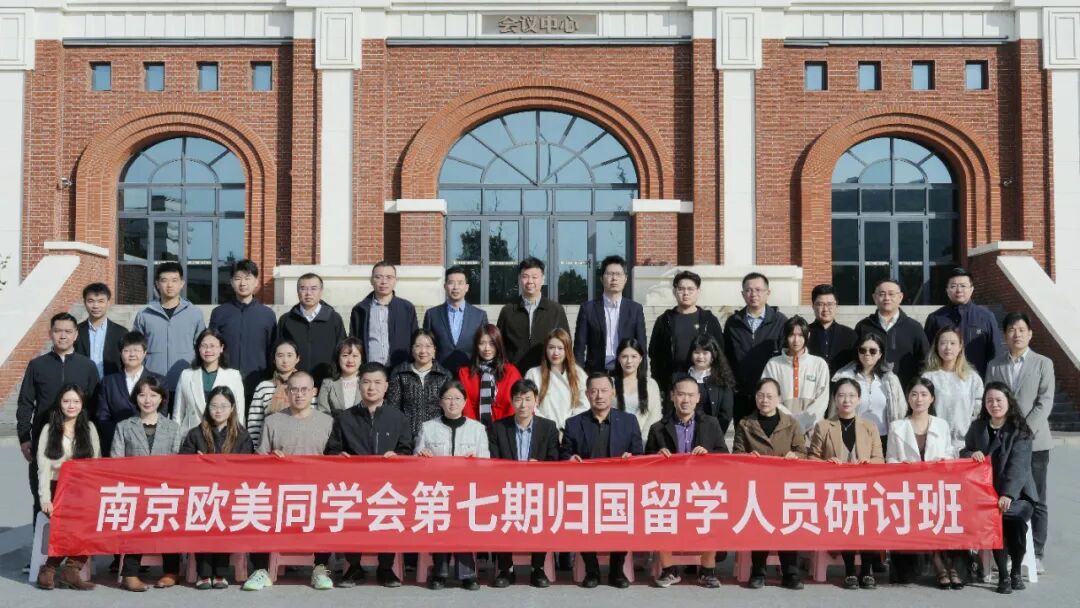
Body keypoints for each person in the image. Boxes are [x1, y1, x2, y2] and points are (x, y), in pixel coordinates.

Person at [323, 362, 411, 588]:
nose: (371, 387)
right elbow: (332, 450)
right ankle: (354, 568)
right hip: (354, 485)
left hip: (388, 485)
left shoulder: (398, 417)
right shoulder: (345, 417)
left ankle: (385, 568)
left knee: (389, 517)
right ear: (359, 385)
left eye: (377, 382)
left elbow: (406, 449)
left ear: (386, 386)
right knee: (351, 518)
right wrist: (338, 456)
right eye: (366, 382)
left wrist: (398, 456)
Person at [245, 372, 335, 591]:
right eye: (294, 389)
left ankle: (320, 567)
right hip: (280, 492)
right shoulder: (272, 420)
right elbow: (259, 458)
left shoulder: (328, 422)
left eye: (305, 390)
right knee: (258, 508)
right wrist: (270, 458)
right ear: (286, 392)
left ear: (314, 392)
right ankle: (260, 570)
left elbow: (334, 460)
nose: (299, 394)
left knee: (329, 510)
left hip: (317, 492)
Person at [560, 372, 644, 589]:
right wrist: (569, 459)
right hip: (585, 492)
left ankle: (617, 571)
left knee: (625, 516)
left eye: (604, 390)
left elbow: (639, 455)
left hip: (619, 490)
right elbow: (563, 455)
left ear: (613, 392)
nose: (599, 396)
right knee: (579, 516)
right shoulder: (574, 423)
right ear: (587, 394)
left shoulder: (629, 421)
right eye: (594, 391)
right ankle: (592, 570)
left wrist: (632, 459)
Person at [984, 312, 1054, 574]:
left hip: (1035, 442)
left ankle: (1037, 553)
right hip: (1002, 442)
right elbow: (990, 398)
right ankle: (1006, 551)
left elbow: (1045, 401)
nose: (1017, 334)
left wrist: (1024, 431)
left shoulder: (1043, 363)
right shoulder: (995, 364)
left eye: (1022, 329)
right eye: (1012, 329)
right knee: (1005, 495)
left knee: (1036, 498)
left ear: (1030, 333)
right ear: (1005, 335)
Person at [646, 373, 727, 589]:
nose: (686, 400)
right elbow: (645, 462)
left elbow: (724, 456)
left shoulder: (711, 424)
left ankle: (707, 570)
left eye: (691, 395)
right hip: (670, 491)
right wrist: (656, 457)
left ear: (698, 398)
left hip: (702, 489)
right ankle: (669, 570)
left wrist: (708, 455)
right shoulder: (658, 428)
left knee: (713, 510)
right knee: (659, 511)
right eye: (681, 394)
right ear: (672, 396)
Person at [17, 312, 99, 521]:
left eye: (68, 331)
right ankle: (42, 542)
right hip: (45, 439)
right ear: (50, 334)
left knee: (79, 502)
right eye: (58, 331)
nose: (63, 336)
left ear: (76, 335)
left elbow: (95, 404)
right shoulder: (37, 365)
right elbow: (25, 403)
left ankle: (74, 542)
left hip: (78, 441)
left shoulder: (87, 366)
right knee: (43, 500)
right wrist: (24, 437)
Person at [961, 383, 1039, 594]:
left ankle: (1015, 570)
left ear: (1008, 402)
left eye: (998, 400)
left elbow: (1019, 466)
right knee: (995, 519)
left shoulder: (1020, 430)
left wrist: (1007, 494)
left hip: (1019, 494)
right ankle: (1004, 576)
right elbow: (964, 451)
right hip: (987, 494)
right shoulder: (978, 427)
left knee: (1013, 519)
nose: (994, 404)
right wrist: (972, 454)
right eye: (989, 401)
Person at [808, 378, 884, 589]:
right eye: (841, 395)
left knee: (870, 518)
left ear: (859, 399)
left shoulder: (869, 427)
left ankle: (866, 570)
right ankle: (850, 570)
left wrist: (869, 463)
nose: (846, 400)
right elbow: (811, 458)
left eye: (851, 396)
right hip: (834, 490)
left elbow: (880, 458)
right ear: (835, 399)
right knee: (845, 517)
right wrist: (826, 464)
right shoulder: (824, 426)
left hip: (865, 489)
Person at [732, 377, 806, 590]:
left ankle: (791, 573)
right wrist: (748, 458)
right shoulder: (746, 424)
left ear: (779, 398)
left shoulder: (791, 423)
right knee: (760, 527)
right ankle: (758, 572)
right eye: (761, 395)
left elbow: (803, 451)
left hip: (785, 486)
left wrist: (795, 456)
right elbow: (737, 453)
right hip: (758, 486)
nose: (765, 400)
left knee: (788, 528)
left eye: (770, 396)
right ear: (755, 397)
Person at [415, 381, 490, 590]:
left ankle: (467, 574)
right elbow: (416, 458)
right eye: (448, 398)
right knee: (440, 520)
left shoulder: (477, 429)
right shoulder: (428, 427)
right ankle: (439, 573)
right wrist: (422, 455)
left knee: (463, 522)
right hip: (437, 490)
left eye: (457, 398)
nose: (452, 403)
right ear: (440, 402)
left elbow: (486, 461)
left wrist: (476, 461)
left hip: (467, 491)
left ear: (465, 402)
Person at [111, 377, 182, 591]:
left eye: (153, 395)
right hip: (135, 490)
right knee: (136, 521)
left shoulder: (173, 428)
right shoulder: (124, 427)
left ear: (162, 398)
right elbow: (116, 461)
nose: (147, 400)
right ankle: (130, 573)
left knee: (170, 519)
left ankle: (171, 571)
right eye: (142, 395)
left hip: (165, 489)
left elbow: (178, 462)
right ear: (136, 398)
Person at [178, 386, 254, 590]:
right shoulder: (195, 433)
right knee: (203, 519)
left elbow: (247, 467)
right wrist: (196, 462)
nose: (218, 410)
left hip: (230, 494)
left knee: (224, 520)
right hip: (201, 495)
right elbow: (182, 463)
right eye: (213, 406)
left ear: (232, 408)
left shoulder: (242, 435)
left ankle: (220, 573)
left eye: (223, 406)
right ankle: (204, 573)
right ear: (207, 407)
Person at [885, 377, 957, 586]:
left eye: (924, 395)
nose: (919, 399)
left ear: (932, 398)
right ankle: (936, 564)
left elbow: (950, 456)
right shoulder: (897, 426)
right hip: (907, 490)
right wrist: (901, 465)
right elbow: (890, 459)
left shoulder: (941, 425)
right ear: (908, 398)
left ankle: (943, 563)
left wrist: (942, 462)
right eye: (914, 394)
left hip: (936, 487)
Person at [488, 379, 559, 588]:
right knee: (499, 514)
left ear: (536, 401)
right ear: (511, 401)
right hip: (506, 489)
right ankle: (506, 569)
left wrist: (541, 467)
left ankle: (537, 568)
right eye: (518, 399)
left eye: (528, 399)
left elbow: (555, 460)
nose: (523, 405)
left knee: (543, 514)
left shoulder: (548, 427)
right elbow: (493, 460)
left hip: (539, 489)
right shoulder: (499, 427)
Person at [34, 385, 100, 591]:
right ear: (59, 403)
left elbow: (96, 463)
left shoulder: (89, 428)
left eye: (76, 401)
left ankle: (72, 569)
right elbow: (43, 467)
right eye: (66, 401)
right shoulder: (49, 429)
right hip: (57, 487)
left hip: (83, 488)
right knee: (66, 528)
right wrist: (45, 498)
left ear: (82, 404)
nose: (71, 406)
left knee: (91, 526)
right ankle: (49, 570)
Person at [724, 272, 788, 426]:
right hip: (742, 396)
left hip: (770, 397)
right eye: (748, 290)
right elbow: (726, 358)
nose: (753, 294)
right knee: (743, 436)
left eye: (758, 290)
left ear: (768, 292)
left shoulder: (780, 322)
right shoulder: (733, 323)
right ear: (743, 294)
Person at [208, 259, 278, 399]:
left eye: (247, 278)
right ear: (231, 281)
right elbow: (212, 348)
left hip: (259, 383)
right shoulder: (219, 313)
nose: (243, 283)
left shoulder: (267, 315)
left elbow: (272, 351)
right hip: (225, 383)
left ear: (256, 281)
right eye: (238, 278)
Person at [649, 270, 724, 398]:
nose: (685, 293)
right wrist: (659, 384)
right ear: (674, 291)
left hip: (703, 383)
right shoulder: (664, 320)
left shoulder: (709, 320)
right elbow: (654, 354)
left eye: (690, 289)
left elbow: (720, 352)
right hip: (673, 383)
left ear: (698, 291)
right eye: (681, 289)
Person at [131, 262, 206, 391]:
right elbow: (135, 347)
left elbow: (202, 347)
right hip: (152, 385)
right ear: (157, 284)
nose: (169, 285)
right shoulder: (145, 314)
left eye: (174, 280)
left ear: (182, 283)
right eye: (164, 280)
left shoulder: (194, 313)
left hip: (186, 382)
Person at [831, 333, 906, 454]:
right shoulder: (845, 377)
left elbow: (900, 410)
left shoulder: (890, 380)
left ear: (880, 354)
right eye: (862, 350)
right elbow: (834, 410)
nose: (867, 354)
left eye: (873, 351)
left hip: (884, 438)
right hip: (853, 437)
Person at [924, 267, 1003, 377]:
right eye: (953, 286)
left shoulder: (986, 317)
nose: (959, 290)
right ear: (947, 290)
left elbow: (996, 353)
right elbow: (928, 353)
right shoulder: (936, 318)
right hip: (943, 381)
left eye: (963, 286)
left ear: (971, 289)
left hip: (978, 381)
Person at [574, 255, 646, 373]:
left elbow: (641, 346)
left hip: (625, 372)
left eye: (618, 274)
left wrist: (641, 376)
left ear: (625, 279)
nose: (614, 278)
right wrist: (579, 375)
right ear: (601, 279)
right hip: (596, 372)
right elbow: (579, 347)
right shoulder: (588, 309)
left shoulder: (635, 309)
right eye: (609, 274)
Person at [761, 315, 831, 438]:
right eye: (792, 335)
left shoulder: (819, 364)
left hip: (813, 430)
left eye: (800, 335)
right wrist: (791, 422)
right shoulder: (773, 364)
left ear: (808, 336)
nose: (796, 340)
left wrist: (804, 423)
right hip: (782, 428)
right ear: (785, 336)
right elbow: (769, 397)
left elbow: (822, 400)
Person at [95, 331, 163, 457]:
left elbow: (161, 414)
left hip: (149, 447)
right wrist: (120, 438)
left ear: (145, 353)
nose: (132, 354)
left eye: (136, 350)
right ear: (120, 353)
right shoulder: (108, 382)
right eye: (127, 350)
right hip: (116, 446)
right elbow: (103, 416)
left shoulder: (158, 381)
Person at [496, 257, 570, 371]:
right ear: (519, 279)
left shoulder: (556, 310)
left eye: (534, 277)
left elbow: (566, 344)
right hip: (515, 375)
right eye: (525, 276)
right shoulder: (508, 311)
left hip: (547, 374)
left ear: (543, 279)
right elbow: (499, 346)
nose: (530, 281)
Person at [854, 278, 930, 388]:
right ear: (874, 298)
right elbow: (855, 359)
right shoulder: (864, 326)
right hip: (871, 389)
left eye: (891, 294)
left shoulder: (914, 327)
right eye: (882, 294)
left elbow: (924, 361)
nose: (887, 298)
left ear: (900, 297)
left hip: (905, 390)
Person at [277, 272, 347, 387]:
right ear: (297, 291)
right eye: (303, 288)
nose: (308, 293)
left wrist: (336, 376)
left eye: (313, 289)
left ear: (321, 291)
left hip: (328, 382)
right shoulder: (286, 320)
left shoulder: (334, 318)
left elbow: (342, 350)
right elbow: (278, 351)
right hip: (295, 385)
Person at [922, 326, 984, 452]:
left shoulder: (972, 378)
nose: (948, 347)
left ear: (960, 346)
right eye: (943, 343)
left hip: (965, 444)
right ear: (937, 347)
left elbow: (979, 410)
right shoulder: (928, 377)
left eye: (953, 343)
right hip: (936, 442)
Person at [173, 328, 246, 433]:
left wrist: (237, 437)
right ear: (198, 348)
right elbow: (178, 413)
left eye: (212, 346)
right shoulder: (186, 375)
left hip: (223, 436)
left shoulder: (233, 376)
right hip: (191, 436)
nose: (208, 350)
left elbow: (239, 412)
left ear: (221, 348)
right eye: (204, 346)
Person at [386, 329, 454, 438]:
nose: (423, 351)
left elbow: (450, 409)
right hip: (406, 437)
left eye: (428, 346)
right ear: (412, 349)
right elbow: (393, 409)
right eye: (418, 346)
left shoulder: (444, 376)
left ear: (434, 349)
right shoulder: (400, 373)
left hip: (437, 437)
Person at [349, 261, 418, 368]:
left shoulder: (407, 308)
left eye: (389, 277)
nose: (384, 282)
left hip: (401, 369)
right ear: (371, 280)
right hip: (370, 370)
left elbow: (415, 340)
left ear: (396, 280)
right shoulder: (360, 310)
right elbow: (354, 342)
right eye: (378, 277)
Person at [424, 265, 488, 373]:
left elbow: (485, 345)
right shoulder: (432, 314)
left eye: (460, 283)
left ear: (466, 287)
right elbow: (426, 345)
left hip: (470, 374)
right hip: (439, 374)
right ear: (445, 286)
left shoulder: (479, 316)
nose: (455, 287)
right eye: (451, 283)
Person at [526, 329, 588, 435]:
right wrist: (548, 425)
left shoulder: (578, 374)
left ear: (567, 350)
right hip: (543, 431)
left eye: (560, 348)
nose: (555, 353)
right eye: (551, 347)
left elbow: (585, 404)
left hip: (571, 431)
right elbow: (531, 406)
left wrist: (568, 424)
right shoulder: (533, 374)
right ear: (546, 349)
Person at [458, 324, 522, 425]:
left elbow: (516, 403)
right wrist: (473, 428)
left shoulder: (511, 372)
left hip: (506, 427)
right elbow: (466, 407)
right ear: (476, 346)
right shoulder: (465, 373)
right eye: (482, 343)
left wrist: (504, 430)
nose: (487, 348)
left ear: (498, 345)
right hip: (474, 427)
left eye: (492, 343)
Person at [247, 339, 303, 445]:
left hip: (300, 446)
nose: (285, 360)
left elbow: (311, 418)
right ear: (274, 359)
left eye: (290, 355)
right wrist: (255, 448)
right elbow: (254, 423)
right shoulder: (264, 387)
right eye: (280, 355)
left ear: (297, 358)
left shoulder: (305, 386)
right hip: (268, 446)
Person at [75, 282, 128, 379]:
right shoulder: (76, 331)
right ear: (84, 302)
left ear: (108, 303)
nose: (95, 306)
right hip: (82, 384)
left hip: (112, 384)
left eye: (100, 301)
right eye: (91, 301)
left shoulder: (121, 332)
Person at [612, 338, 662, 438]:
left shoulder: (651, 384)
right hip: (616, 438)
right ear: (618, 358)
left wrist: (641, 440)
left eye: (634, 356)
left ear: (640, 358)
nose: (629, 361)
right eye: (624, 356)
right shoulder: (610, 383)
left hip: (644, 439)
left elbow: (655, 416)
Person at [686, 335, 736, 434]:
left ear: (713, 355)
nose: (700, 357)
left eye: (705, 353)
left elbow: (726, 415)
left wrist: (713, 437)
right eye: (697, 352)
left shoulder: (723, 380)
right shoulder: (680, 377)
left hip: (712, 435)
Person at [807, 283, 858, 375]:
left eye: (829, 304)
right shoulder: (804, 334)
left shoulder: (850, 335)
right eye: (820, 304)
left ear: (836, 306)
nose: (825, 309)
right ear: (813, 306)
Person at [317, 337, 365, 417]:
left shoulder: (367, 382)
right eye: (345, 355)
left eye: (355, 356)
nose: (350, 360)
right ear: (338, 358)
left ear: (361, 360)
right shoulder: (328, 383)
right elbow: (323, 413)